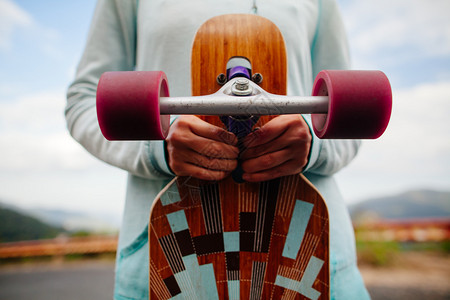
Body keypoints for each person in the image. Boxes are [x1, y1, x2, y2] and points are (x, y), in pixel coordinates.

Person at [66, 0, 370, 299]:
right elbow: (86, 101)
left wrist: (313, 145)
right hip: (167, 265)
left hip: (310, 259)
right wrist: (155, 148)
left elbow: (354, 107)